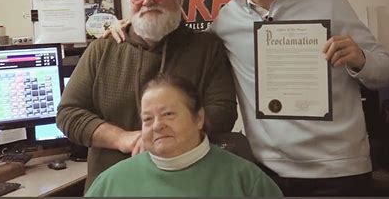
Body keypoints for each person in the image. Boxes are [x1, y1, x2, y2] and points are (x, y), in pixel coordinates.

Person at [106, 0, 389, 196]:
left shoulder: (329, 2)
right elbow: (177, 38)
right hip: (267, 172)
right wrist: (134, 23)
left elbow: (386, 72)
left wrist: (359, 59)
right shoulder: (227, 20)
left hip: (339, 170)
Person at [56, 0, 237, 190]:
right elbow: (68, 114)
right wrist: (126, 139)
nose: (148, 1)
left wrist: (163, 137)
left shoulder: (207, 48)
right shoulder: (102, 49)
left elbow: (223, 112)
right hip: (113, 188)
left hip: (190, 186)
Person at [85, 74, 282, 197]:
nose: (157, 126)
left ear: (199, 118)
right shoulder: (109, 184)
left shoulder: (246, 181)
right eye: (147, 119)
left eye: (168, 114)